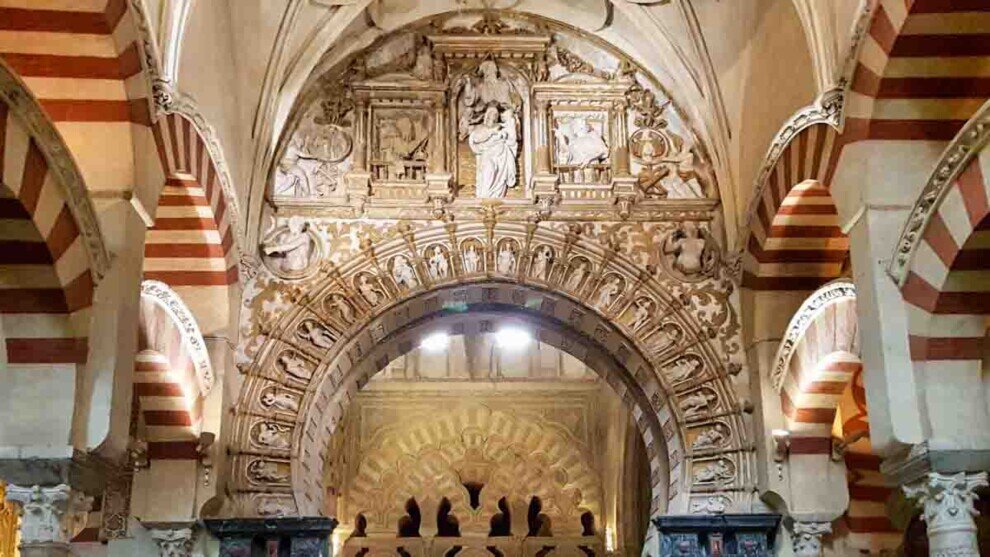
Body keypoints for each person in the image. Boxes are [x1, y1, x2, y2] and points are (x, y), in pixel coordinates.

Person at [469, 106, 517, 198]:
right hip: (488, 155)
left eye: (495, 114)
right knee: (489, 169)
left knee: (500, 177)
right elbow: (476, 138)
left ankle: (495, 194)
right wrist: (492, 132)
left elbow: (511, 140)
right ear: (487, 115)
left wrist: (511, 122)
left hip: (502, 156)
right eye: (491, 113)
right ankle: (485, 194)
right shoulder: (481, 127)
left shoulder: (501, 127)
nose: (493, 116)